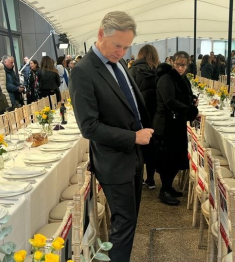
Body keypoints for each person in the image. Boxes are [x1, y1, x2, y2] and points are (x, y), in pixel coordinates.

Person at [69, 11, 152, 261]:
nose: (122, 52)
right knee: (124, 224)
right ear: (101, 34)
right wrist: (132, 137)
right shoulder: (83, 71)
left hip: (134, 156)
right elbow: (89, 127)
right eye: (118, 45)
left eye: (127, 47)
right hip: (114, 161)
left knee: (129, 220)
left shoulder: (117, 64)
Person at [153, 51, 198, 205]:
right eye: (178, 64)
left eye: (183, 65)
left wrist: (192, 100)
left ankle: (168, 187)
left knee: (175, 158)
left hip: (176, 123)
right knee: (168, 160)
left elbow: (183, 95)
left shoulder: (181, 78)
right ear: (172, 62)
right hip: (165, 125)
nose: (180, 68)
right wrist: (191, 110)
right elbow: (170, 101)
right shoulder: (166, 78)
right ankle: (164, 190)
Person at [129, 44, 159, 189]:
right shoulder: (159, 71)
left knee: (139, 146)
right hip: (155, 114)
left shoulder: (132, 70)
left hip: (138, 114)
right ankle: (151, 179)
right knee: (152, 146)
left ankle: (139, 178)